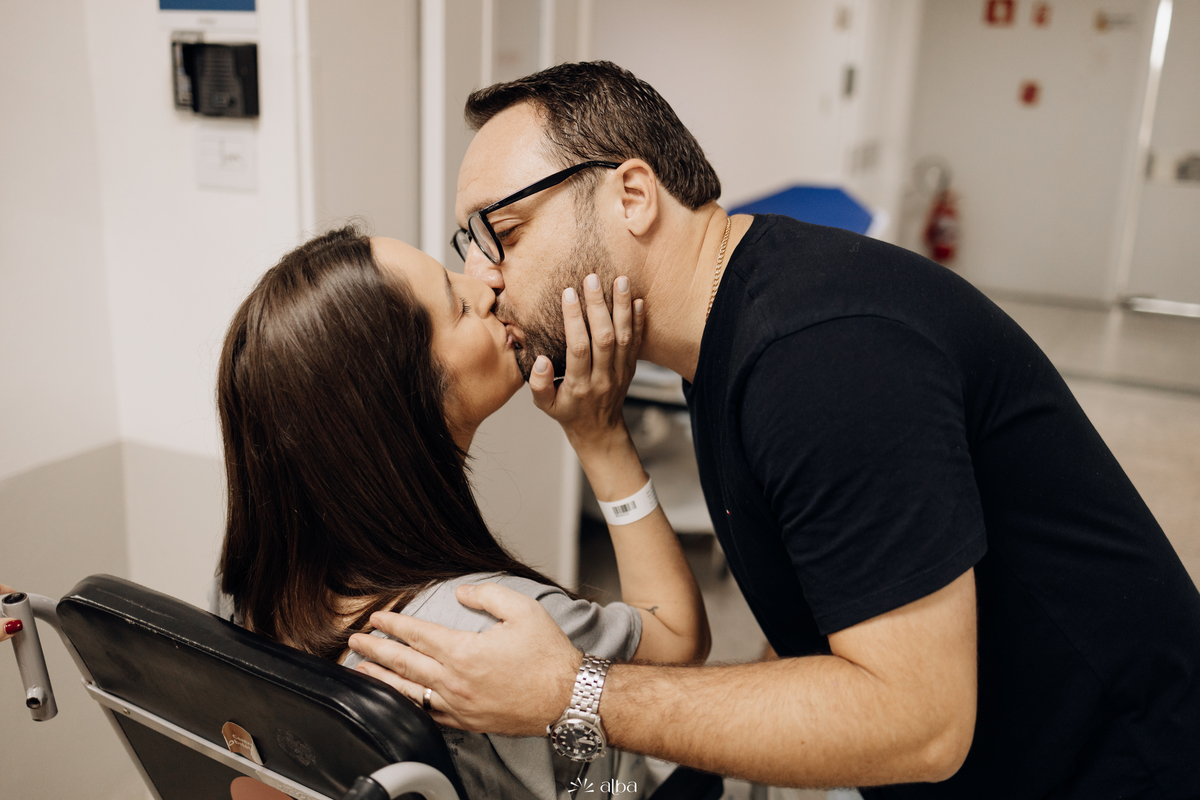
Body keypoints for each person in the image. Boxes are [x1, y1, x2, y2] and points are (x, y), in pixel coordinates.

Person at [347, 62, 1200, 798]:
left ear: (633, 195)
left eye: (505, 232)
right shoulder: (735, 331)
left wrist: (576, 693)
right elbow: (838, 588)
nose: (483, 281)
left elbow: (920, 725)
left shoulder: (817, 356)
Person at [211, 225, 710, 800]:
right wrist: (601, 437)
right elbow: (679, 635)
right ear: (400, 404)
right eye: (457, 304)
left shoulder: (241, 594)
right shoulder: (498, 622)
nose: (485, 287)